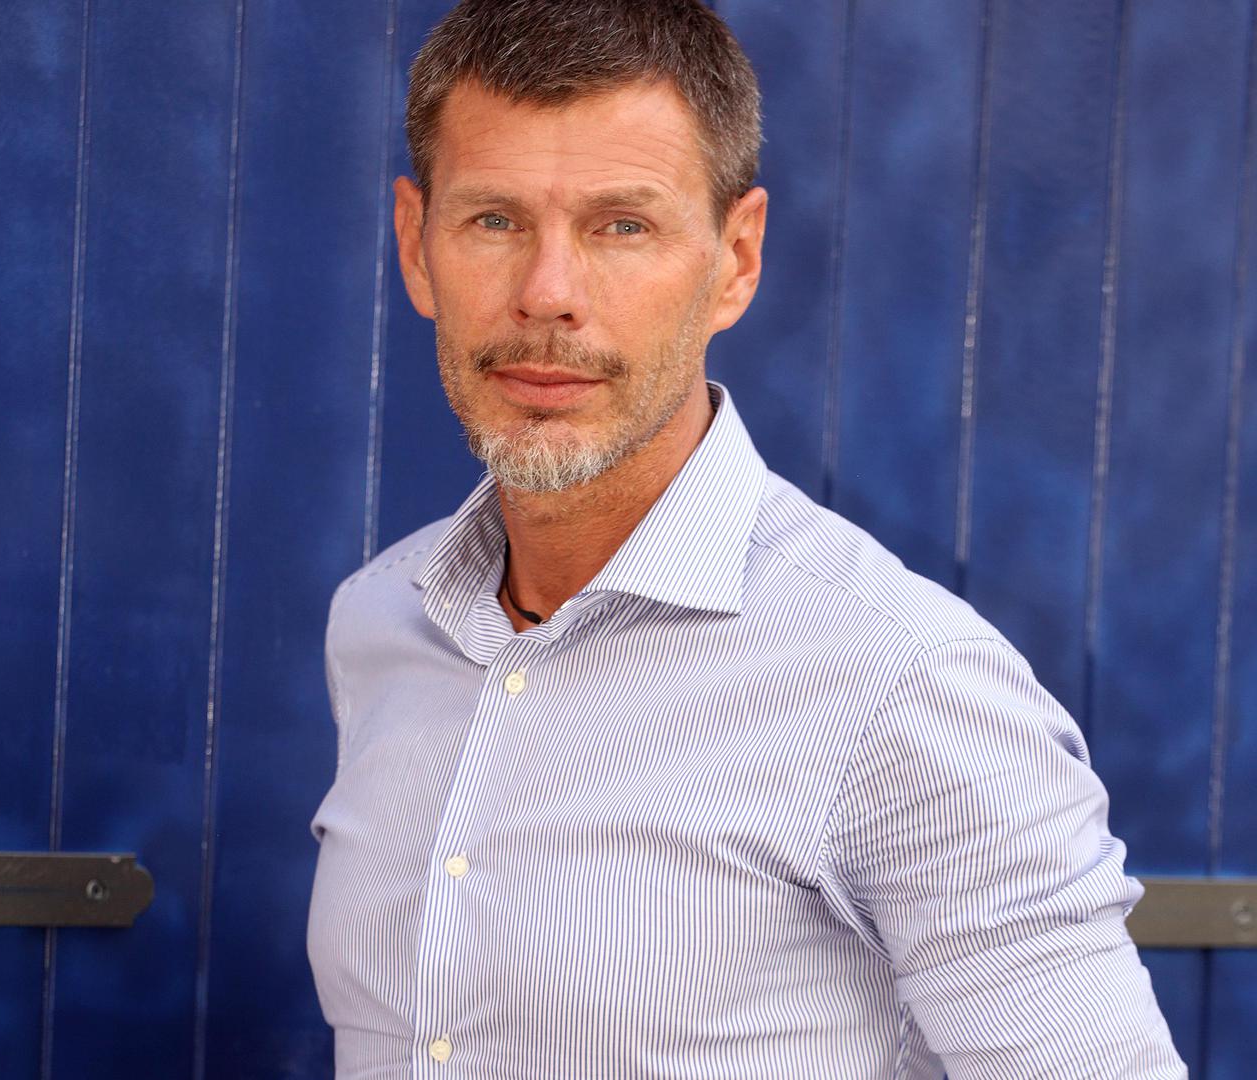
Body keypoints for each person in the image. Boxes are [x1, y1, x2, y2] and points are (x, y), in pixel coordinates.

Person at [307, 1, 1186, 1076]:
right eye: (493, 220)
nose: (548, 295)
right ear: (416, 244)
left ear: (736, 258)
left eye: (621, 226)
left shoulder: (904, 687)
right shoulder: (382, 622)